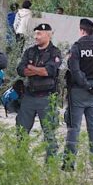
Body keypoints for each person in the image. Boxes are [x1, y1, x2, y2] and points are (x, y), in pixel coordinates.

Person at [63, 18, 93, 167]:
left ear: (82, 30)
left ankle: (69, 163)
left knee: (74, 127)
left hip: (79, 91)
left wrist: (86, 85)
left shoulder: (76, 48)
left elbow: (75, 71)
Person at [16, 23, 62, 159]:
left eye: (39, 34)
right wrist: (38, 71)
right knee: (22, 131)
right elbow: (20, 70)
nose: (36, 37)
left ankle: (50, 163)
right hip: (29, 96)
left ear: (48, 35)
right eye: (35, 34)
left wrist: (32, 68)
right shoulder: (30, 51)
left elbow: (49, 71)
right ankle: (20, 160)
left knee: (49, 133)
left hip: (47, 97)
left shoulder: (55, 52)